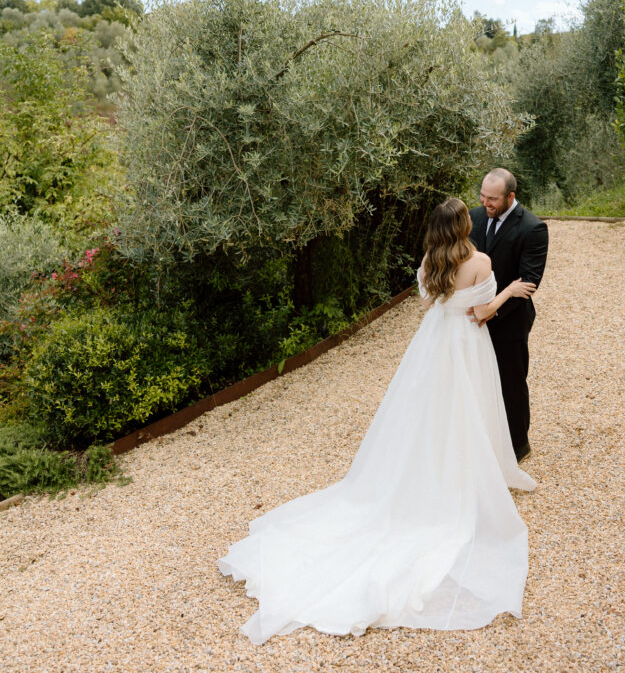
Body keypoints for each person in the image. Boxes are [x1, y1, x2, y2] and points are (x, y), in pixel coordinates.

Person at [218, 198, 536, 644]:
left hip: (432, 344)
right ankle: (464, 475)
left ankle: (422, 472)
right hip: (466, 345)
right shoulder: (480, 262)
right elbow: (481, 313)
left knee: (424, 414)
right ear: (465, 225)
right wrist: (509, 291)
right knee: (467, 409)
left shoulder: (430, 260)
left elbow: (428, 302)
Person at [468, 169, 549, 462]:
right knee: (476, 381)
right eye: (482, 196)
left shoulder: (533, 228)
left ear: (510, 196)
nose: (485, 203)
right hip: (472, 320)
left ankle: (518, 447)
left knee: (511, 383)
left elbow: (528, 283)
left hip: (510, 320)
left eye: (492, 199)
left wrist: (492, 311)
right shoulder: (473, 218)